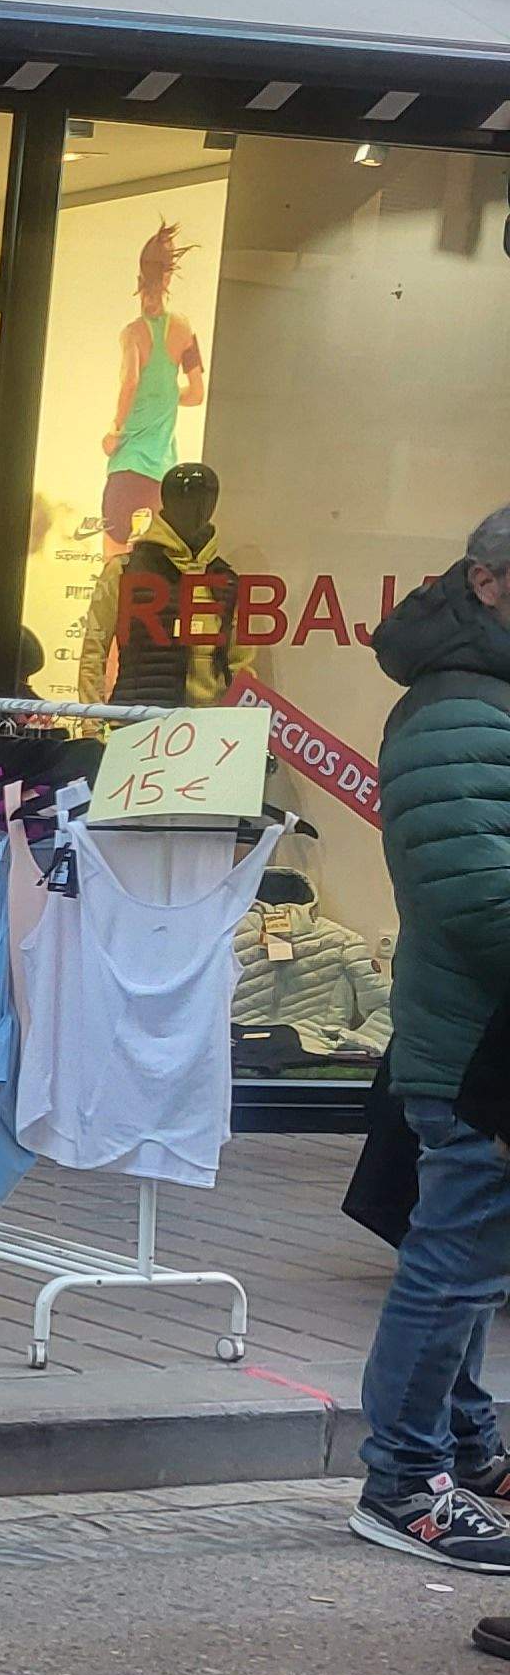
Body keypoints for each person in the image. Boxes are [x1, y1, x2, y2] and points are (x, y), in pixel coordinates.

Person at [352, 505, 510, 1571]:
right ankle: (401, 1480)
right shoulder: (459, 703)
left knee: (471, 1257)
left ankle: (463, 1444)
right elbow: (472, 893)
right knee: (453, 1260)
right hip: (473, 1045)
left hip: (480, 1038)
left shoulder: (485, 693)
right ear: (489, 584)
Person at [98, 221, 207, 555]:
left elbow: (130, 381)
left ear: (138, 282)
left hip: (128, 464)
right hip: (162, 473)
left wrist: (115, 429)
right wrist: (168, 397)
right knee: (151, 563)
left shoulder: (132, 333)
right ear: (168, 278)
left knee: (113, 561)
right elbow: (197, 392)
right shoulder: (184, 329)